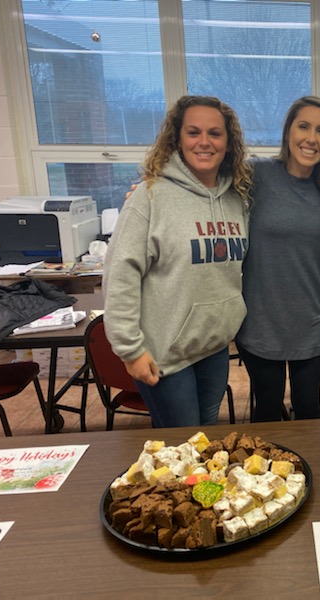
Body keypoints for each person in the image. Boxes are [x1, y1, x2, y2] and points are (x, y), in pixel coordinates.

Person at [104, 95, 251, 427]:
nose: (204, 142)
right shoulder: (150, 197)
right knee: (182, 445)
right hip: (165, 353)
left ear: (228, 143)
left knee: (207, 435)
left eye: (215, 133)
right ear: (177, 138)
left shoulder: (236, 200)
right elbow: (120, 276)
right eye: (193, 132)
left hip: (212, 346)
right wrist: (130, 350)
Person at [235, 96, 320, 421]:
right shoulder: (257, 175)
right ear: (288, 131)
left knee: (309, 411)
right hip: (261, 323)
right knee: (266, 412)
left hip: (312, 322)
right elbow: (205, 183)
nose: (311, 138)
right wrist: (150, 188)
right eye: (303, 126)